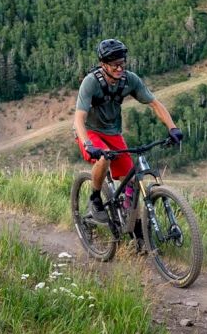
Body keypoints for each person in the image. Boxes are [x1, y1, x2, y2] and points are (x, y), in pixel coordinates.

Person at [74, 38, 184, 221]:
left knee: (132, 183)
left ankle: (133, 226)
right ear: (103, 64)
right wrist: (87, 143)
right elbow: (79, 118)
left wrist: (173, 128)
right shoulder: (90, 82)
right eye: (115, 65)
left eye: (122, 63)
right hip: (89, 131)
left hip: (113, 132)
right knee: (104, 157)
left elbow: (154, 104)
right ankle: (95, 198)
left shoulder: (129, 80)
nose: (119, 68)